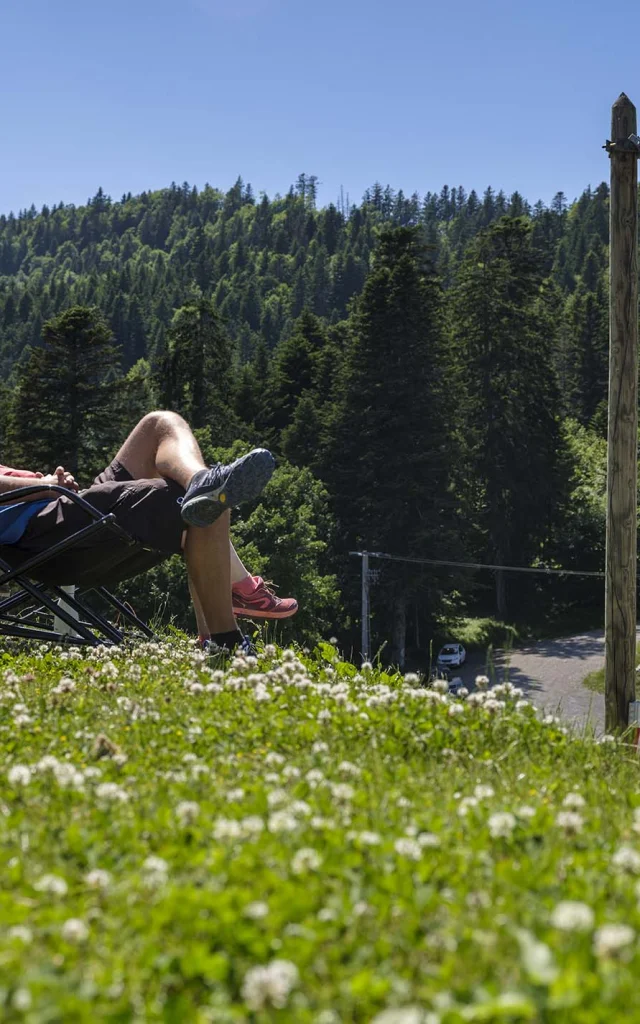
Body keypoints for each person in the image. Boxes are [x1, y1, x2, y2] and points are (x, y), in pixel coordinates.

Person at [0, 411, 298, 652]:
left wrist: (46, 484)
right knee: (197, 504)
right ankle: (226, 640)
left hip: (64, 510)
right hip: (45, 535)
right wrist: (44, 486)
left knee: (160, 424)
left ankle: (201, 480)